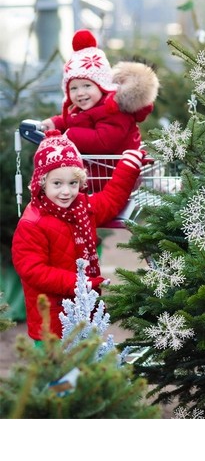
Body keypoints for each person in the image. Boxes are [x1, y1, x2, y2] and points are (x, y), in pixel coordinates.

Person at [11, 130, 146, 342]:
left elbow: (110, 200)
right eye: (57, 184)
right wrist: (80, 284)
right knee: (55, 371)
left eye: (73, 183)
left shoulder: (82, 207)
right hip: (51, 320)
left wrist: (128, 167)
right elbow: (34, 271)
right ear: (42, 183)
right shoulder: (32, 222)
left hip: (84, 310)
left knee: (84, 367)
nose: (66, 192)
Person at [41, 29, 159, 156]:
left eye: (87, 85)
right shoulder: (89, 107)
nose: (80, 92)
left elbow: (104, 142)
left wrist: (71, 135)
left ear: (102, 86)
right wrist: (55, 123)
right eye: (73, 88)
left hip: (118, 170)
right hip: (98, 171)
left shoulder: (113, 109)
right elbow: (75, 120)